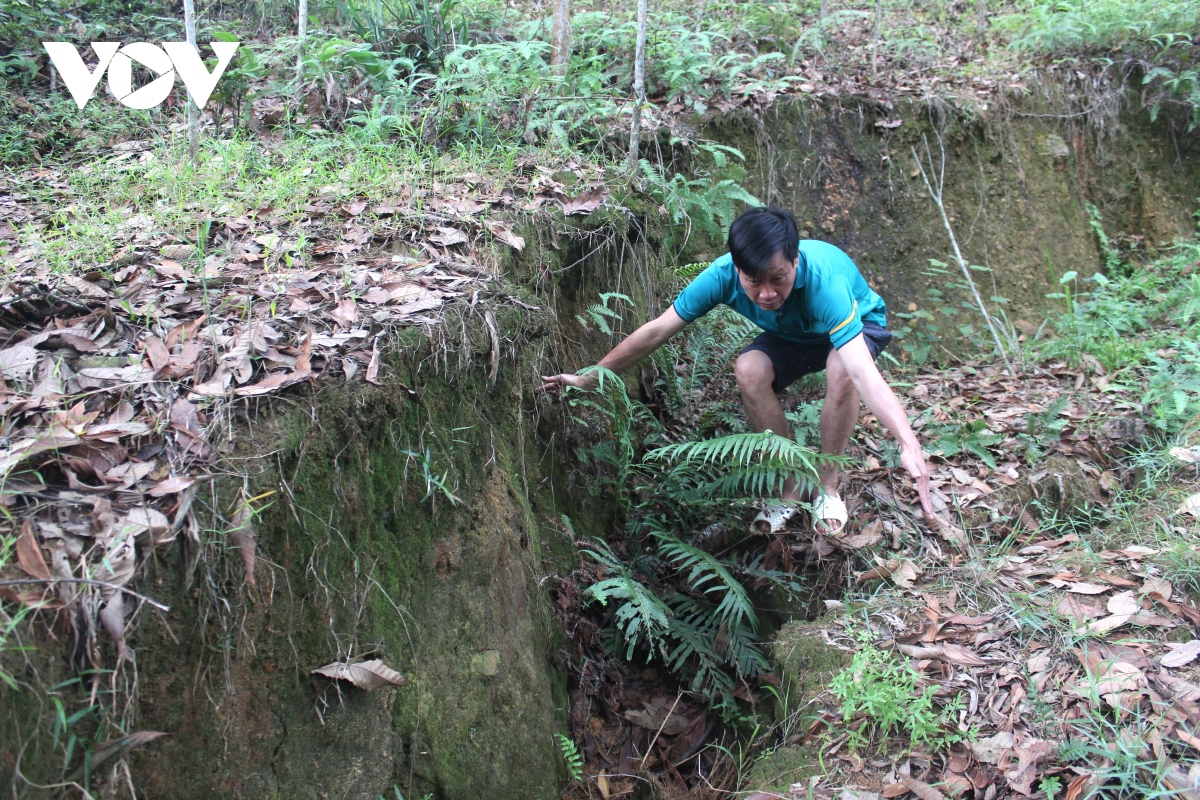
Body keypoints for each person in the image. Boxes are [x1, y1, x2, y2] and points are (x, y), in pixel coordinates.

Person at [541, 206, 935, 535]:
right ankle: (791, 481)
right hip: (792, 335)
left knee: (842, 370)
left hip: (855, 326)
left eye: (778, 279)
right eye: (753, 282)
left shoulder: (825, 284)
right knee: (749, 369)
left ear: (795, 261)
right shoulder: (721, 276)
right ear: (737, 268)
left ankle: (827, 485)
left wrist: (906, 441)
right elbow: (658, 329)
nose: (765, 294)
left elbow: (864, 373)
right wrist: (592, 375)